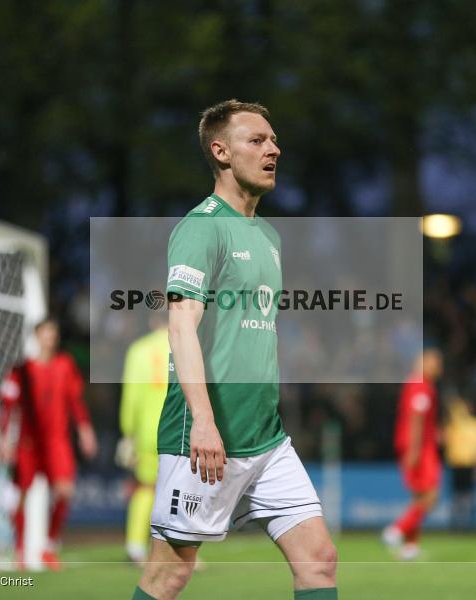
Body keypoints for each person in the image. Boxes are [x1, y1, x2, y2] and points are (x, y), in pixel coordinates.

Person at [132, 100, 337, 600]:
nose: (274, 149)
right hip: (206, 438)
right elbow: (180, 326)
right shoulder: (202, 226)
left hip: (265, 439)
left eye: (273, 140)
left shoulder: (267, 236)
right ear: (221, 152)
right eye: (258, 140)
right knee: (169, 575)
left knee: (320, 561)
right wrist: (203, 420)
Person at [0, 317, 98, 570]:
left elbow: (75, 401)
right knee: (21, 496)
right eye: (45, 333)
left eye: (53, 333)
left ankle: (49, 547)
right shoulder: (21, 370)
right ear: (36, 336)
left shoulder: (65, 365)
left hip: (57, 441)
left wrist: (85, 430)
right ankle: (20, 550)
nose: (50, 338)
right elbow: (7, 407)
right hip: (28, 444)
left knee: (65, 492)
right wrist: (4, 439)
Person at [117, 314, 170, 564]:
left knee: (145, 488)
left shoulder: (138, 350)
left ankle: (136, 547)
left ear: (152, 321)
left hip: (147, 432)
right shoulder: (186, 345)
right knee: (179, 491)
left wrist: (128, 431)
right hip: (178, 430)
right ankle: (179, 550)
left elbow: (132, 395)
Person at [383, 348, 443, 560]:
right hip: (420, 448)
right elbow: (416, 419)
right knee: (431, 496)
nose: (438, 368)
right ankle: (396, 530)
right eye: (435, 363)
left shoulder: (415, 384)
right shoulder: (421, 387)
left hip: (417, 444)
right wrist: (415, 450)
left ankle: (410, 547)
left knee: (418, 497)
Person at [443, 395, 476, 530]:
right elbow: (443, 440)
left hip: (471, 465)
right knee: (456, 495)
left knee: (470, 495)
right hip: (456, 464)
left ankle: (470, 524)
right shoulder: (453, 424)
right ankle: (456, 524)